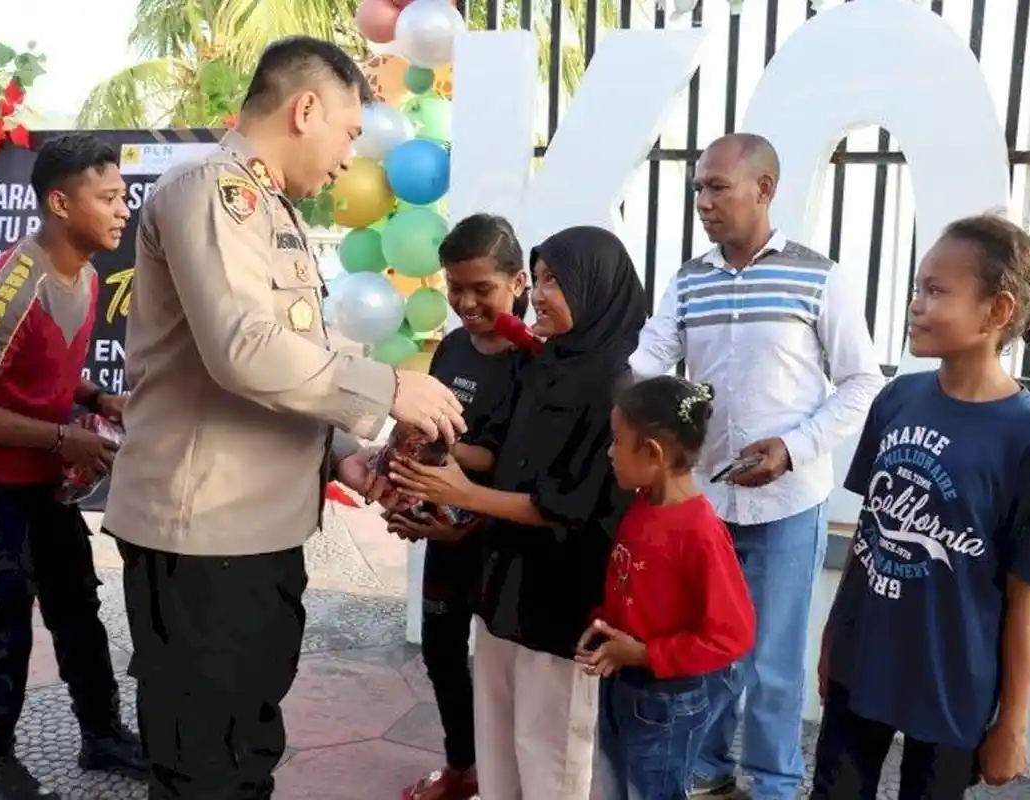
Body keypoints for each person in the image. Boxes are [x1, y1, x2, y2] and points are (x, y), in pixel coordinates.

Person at [102, 36, 467, 800]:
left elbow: (292, 359)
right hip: (205, 531)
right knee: (206, 762)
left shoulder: (265, 207)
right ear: (305, 109)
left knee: (248, 741)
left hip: (257, 529)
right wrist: (390, 390)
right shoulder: (212, 191)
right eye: (347, 133)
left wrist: (341, 452)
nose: (347, 159)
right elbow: (244, 350)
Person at [630, 132, 885, 799]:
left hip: (788, 505)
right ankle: (711, 767)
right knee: (711, 648)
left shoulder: (817, 276)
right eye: (697, 188)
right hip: (707, 507)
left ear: (764, 188)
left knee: (771, 660)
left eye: (717, 186)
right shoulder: (690, 280)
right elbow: (650, 360)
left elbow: (863, 382)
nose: (703, 201)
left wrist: (792, 448)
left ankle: (773, 782)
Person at [813, 214, 1030, 799]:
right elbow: (868, 533)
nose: (916, 305)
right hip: (865, 660)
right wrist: (834, 633)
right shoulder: (897, 400)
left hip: (953, 681)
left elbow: (1025, 595)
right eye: (916, 288)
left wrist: (1012, 723)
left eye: (937, 291)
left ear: (997, 311)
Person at [390, 226, 647, 800]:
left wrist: (465, 497)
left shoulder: (611, 391)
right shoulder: (544, 364)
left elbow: (570, 509)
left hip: (560, 607)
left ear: (596, 290)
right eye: (544, 277)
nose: (541, 295)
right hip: (503, 591)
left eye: (555, 280)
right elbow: (505, 461)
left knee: (550, 755)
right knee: (501, 748)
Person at [0, 133, 145, 800]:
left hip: (38, 480)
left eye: (124, 196)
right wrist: (60, 439)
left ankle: (101, 734)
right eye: (107, 197)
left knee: (77, 605)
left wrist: (95, 397)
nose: (123, 210)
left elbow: (42, 374)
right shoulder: (12, 291)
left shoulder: (87, 270)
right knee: (3, 619)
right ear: (58, 201)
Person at [390, 213, 530, 800]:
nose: (466, 303)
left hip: (505, 546)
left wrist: (454, 483)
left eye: (482, 289)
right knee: (443, 654)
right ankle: (461, 770)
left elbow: (516, 463)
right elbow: (437, 433)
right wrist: (404, 479)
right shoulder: (449, 347)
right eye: (454, 288)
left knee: (508, 677)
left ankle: (510, 782)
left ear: (518, 283)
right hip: (446, 537)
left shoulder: (536, 360)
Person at [580, 375, 756, 800]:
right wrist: (604, 626)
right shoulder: (641, 505)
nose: (608, 452)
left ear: (653, 453)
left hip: (665, 703)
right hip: (623, 683)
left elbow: (732, 634)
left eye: (617, 441)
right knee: (616, 785)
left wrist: (644, 653)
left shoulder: (700, 532)